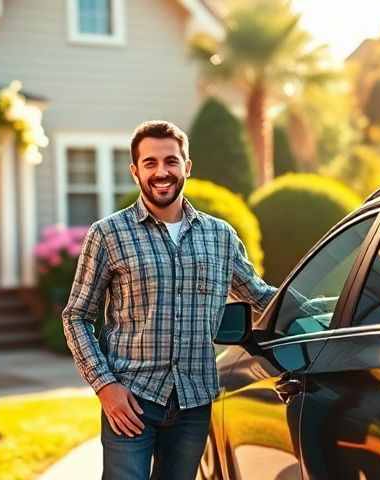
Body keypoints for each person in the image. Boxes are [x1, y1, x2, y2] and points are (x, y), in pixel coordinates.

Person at [62, 120, 277, 480]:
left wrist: (328, 312)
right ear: (135, 171)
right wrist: (105, 386)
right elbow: (77, 316)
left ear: (186, 167)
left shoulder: (220, 236)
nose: (162, 172)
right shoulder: (108, 234)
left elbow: (261, 296)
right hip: (131, 399)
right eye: (150, 163)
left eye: (171, 161)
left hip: (194, 401)